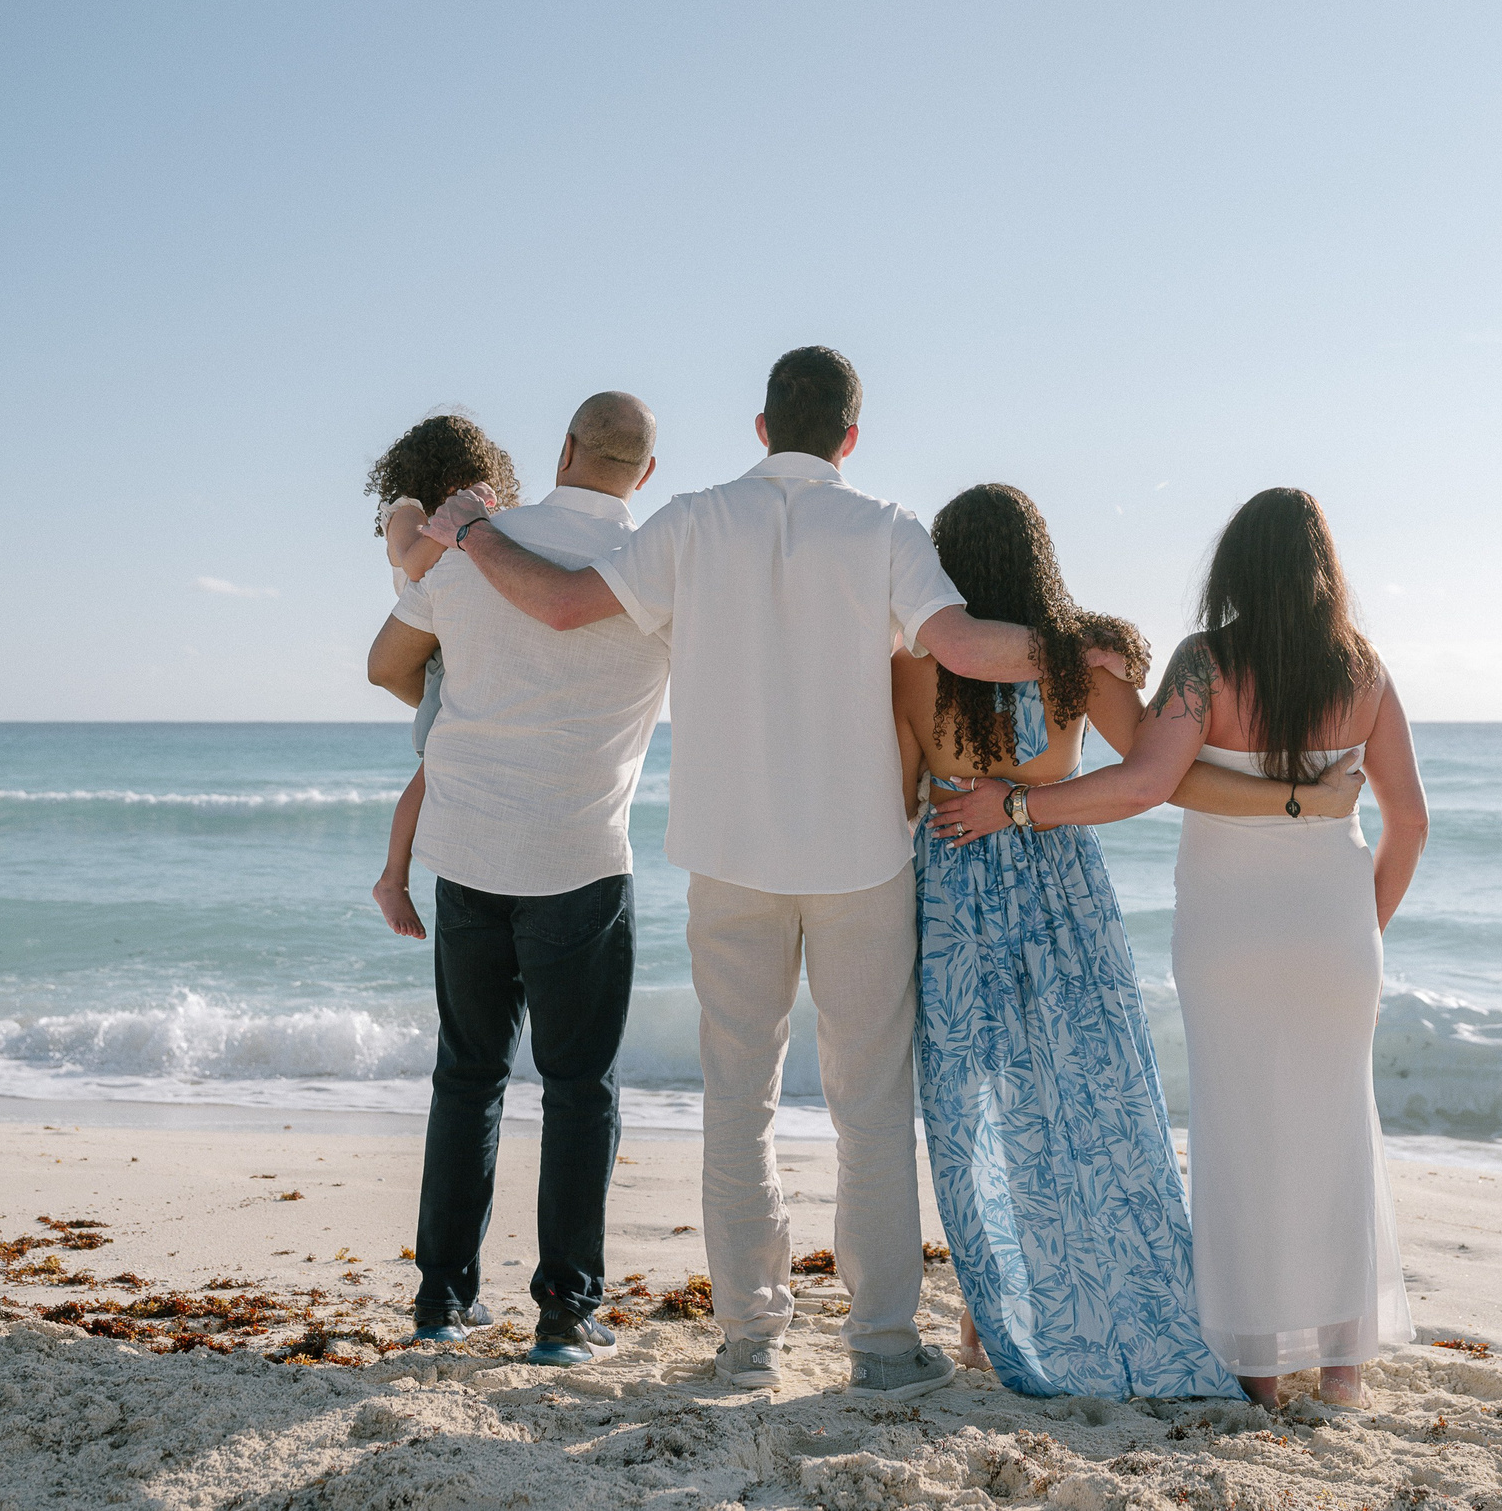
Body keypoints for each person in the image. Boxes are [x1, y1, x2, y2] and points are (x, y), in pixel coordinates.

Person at [424, 346, 1101, 1399]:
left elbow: (557, 605)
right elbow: (962, 645)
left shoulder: (690, 520)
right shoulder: (885, 527)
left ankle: (748, 1339)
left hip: (730, 856)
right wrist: (1082, 652)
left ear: (759, 427)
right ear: (850, 437)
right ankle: (880, 1345)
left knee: (737, 1101)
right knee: (869, 1106)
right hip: (860, 859)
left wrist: (467, 532)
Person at [930, 487, 1428, 1411]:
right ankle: (1344, 1368)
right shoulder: (1366, 673)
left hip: (1231, 931)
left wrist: (1019, 805)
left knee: (1241, 1135)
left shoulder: (1209, 663)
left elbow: (1146, 779)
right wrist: (1364, 924)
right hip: (1334, 929)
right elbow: (1412, 820)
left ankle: (1260, 1368)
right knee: (1339, 1132)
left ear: (1233, 566)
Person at [366, 393, 670, 1366]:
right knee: (580, 1091)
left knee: (468, 1080)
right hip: (579, 859)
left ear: (566, 448)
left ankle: (442, 1305)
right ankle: (564, 1320)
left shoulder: (467, 545)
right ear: (646, 474)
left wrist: (468, 679)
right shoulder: (661, 565)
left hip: (469, 852)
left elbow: (385, 666)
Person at [363, 412, 523, 942]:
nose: (461, 493)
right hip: (436, 656)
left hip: (462, 646)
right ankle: (392, 879)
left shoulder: (464, 518)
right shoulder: (406, 511)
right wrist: (459, 519)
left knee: (456, 771)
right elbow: (413, 564)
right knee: (434, 771)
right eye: (453, 483)